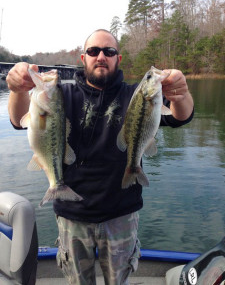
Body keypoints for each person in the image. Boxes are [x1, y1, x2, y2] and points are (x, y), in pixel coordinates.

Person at [7, 29, 194, 285]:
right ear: (83, 59)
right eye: (94, 51)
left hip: (121, 213)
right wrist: (18, 90)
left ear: (119, 59)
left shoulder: (135, 96)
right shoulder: (62, 96)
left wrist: (181, 95)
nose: (101, 56)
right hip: (72, 214)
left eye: (109, 51)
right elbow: (19, 121)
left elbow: (179, 117)